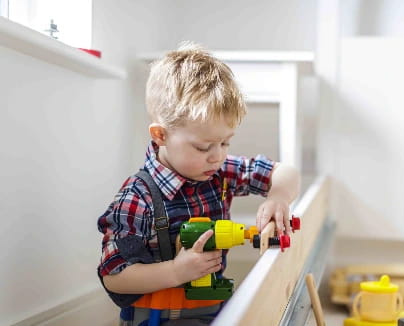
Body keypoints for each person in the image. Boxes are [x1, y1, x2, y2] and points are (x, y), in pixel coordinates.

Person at [97, 42, 301, 325]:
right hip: (157, 318)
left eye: (225, 142)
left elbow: (286, 172)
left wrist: (278, 195)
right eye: (203, 147)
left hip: (212, 310)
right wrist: (175, 272)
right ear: (161, 136)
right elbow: (114, 276)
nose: (217, 156)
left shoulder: (219, 172)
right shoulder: (136, 199)